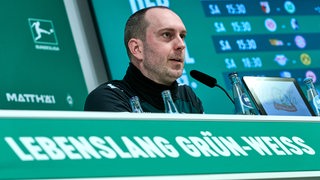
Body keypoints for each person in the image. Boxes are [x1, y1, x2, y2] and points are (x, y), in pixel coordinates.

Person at [84, 6, 204, 113]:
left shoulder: (187, 96)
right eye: (167, 35)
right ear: (137, 49)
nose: (181, 45)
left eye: (182, 36)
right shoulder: (108, 98)